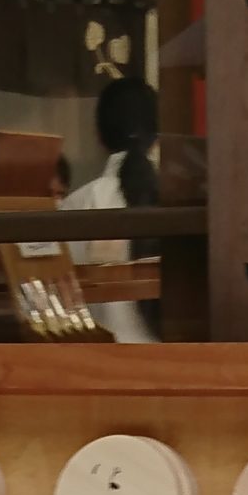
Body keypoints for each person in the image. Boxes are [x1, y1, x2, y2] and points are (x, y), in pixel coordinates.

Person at [60, 77, 161, 343]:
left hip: (100, 370)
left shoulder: (77, 204)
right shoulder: (179, 200)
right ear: (157, 136)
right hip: (181, 367)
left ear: (98, 136)